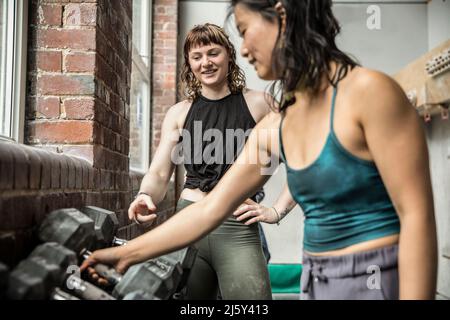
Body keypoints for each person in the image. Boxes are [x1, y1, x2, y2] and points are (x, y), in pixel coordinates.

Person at [82, 1, 438, 300]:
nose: (245, 50)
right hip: (316, 281)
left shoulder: (370, 92)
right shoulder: (276, 126)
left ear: (281, 15)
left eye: (244, 30)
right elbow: (208, 211)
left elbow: (417, 218)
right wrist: (123, 254)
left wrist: (274, 211)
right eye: (197, 55)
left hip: (378, 281)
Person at [116, 23, 281, 300]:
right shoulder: (179, 113)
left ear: (229, 54)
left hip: (236, 225)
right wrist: (145, 195)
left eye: (213, 53)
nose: (206, 62)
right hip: (188, 221)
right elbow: (159, 172)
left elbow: (295, 154)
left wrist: (275, 210)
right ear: (189, 64)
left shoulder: (260, 103)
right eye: (197, 56)